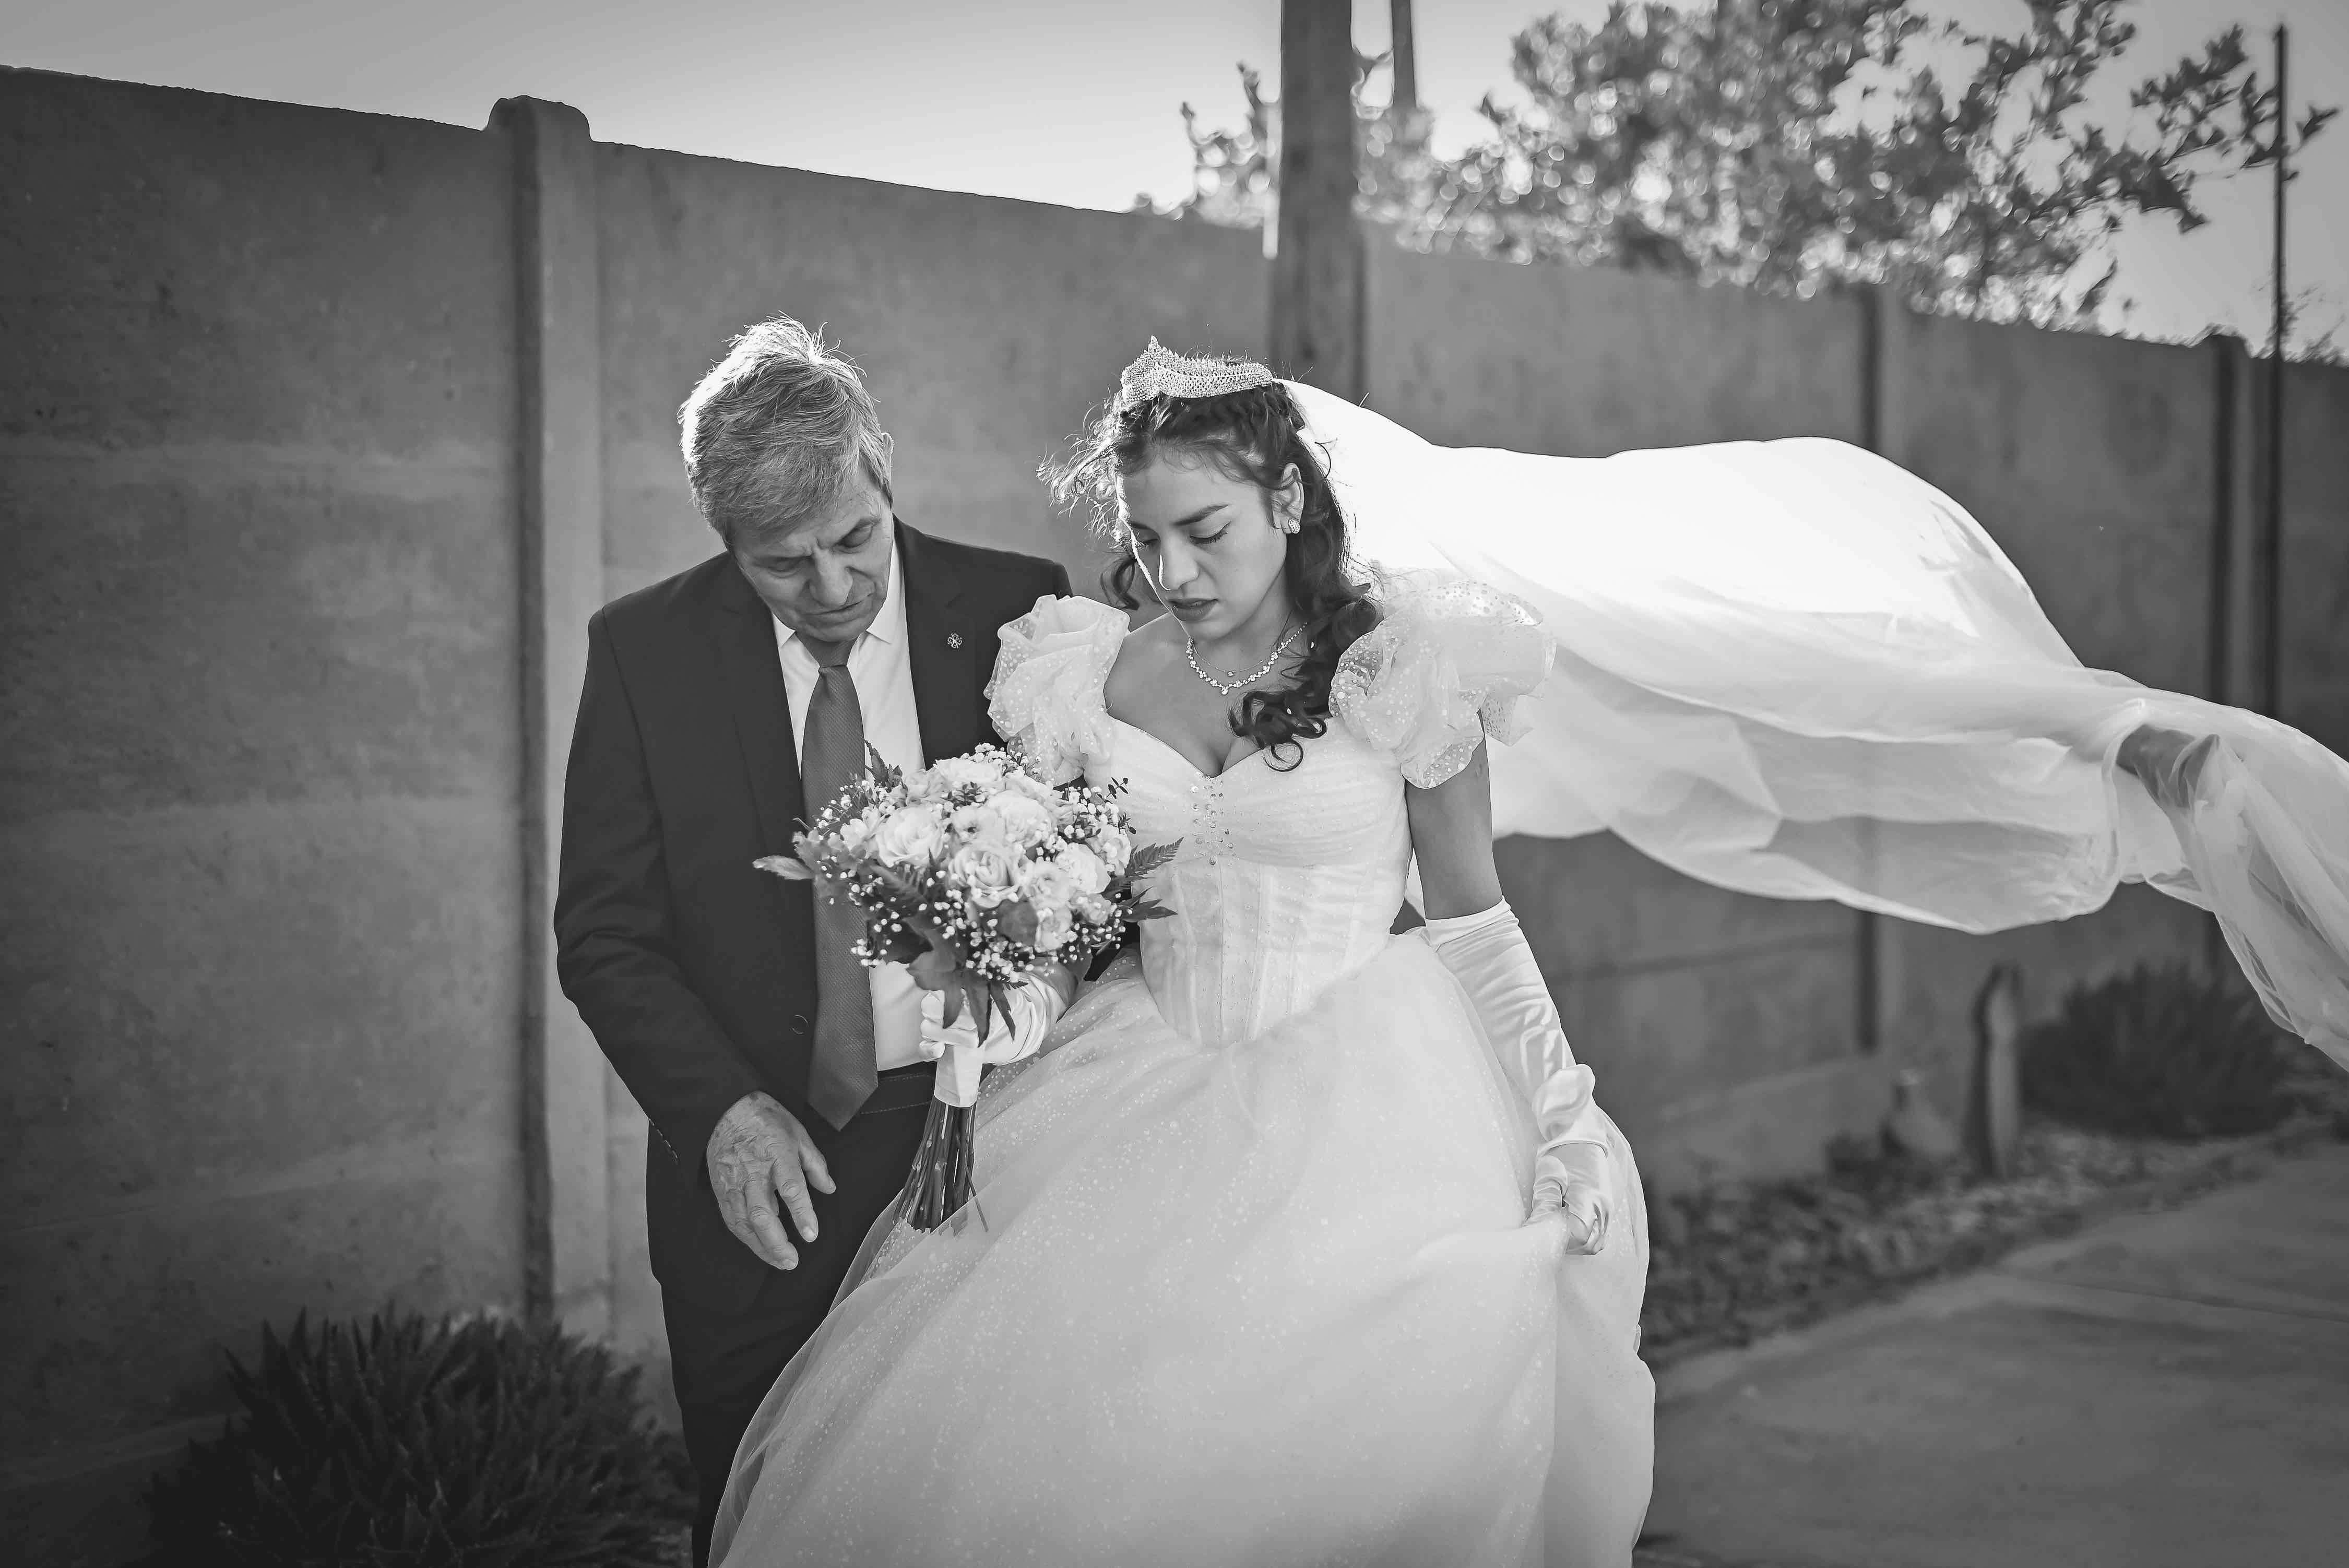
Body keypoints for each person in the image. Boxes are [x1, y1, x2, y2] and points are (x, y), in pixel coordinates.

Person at [710, 343, 1655, 1566]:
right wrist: (1009, 998)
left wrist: (1564, 1107)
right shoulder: (1085, 670)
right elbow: (1077, 911)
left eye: (1207, 529)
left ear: (1291, 500)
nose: (1179, 570)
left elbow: (1473, 913)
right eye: (1151, 538)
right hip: (1134, 1087)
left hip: (1372, 1105)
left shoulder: (1404, 667)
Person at [552, 316, 1069, 1567]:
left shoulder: (1024, 611)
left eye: (855, 540)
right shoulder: (642, 650)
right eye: (785, 566)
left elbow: (1088, 874)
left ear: (883, 468)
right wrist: (722, 1112)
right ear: (723, 540)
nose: (833, 590)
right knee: (759, 1515)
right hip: (759, 1177)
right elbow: (604, 932)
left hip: (989, 1150)